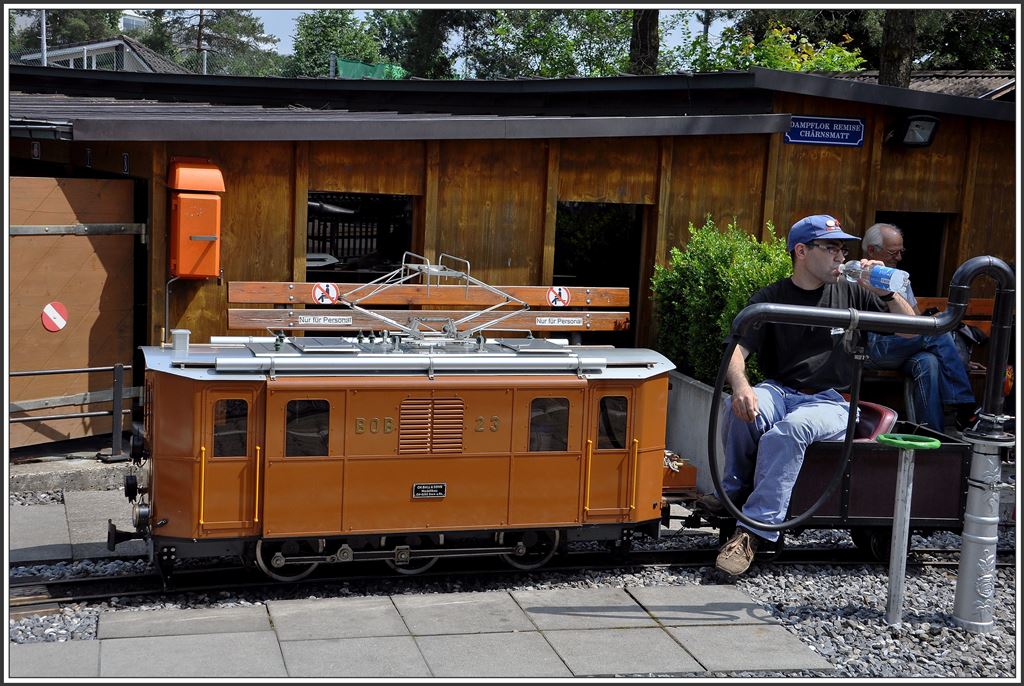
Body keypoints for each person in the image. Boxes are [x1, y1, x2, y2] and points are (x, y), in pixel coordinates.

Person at [713, 214, 916, 577]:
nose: (841, 255)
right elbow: (735, 353)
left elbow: (911, 331)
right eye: (832, 247)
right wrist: (741, 387)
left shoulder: (855, 291)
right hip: (781, 390)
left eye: (843, 249)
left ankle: (753, 532)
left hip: (832, 400)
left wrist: (886, 291)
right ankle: (734, 498)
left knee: (790, 430)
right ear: (802, 251)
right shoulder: (772, 297)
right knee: (739, 408)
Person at [861, 223, 976, 433]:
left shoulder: (900, 278)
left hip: (903, 346)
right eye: (893, 252)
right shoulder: (860, 276)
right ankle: (964, 407)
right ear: (871, 250)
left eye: (901, 251)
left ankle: (930, 434)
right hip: (871, 347)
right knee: (937, 331)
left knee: (928, 362)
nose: (899, 257)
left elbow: (915, 320)